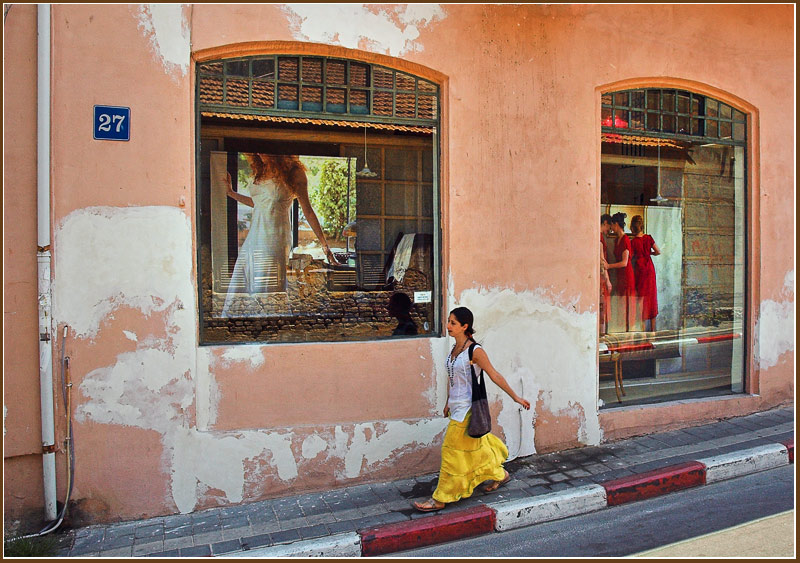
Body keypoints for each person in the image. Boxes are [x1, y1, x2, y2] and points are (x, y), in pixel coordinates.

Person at [413, 307, 531, 512]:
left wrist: (516, 397)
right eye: (449, 322)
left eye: (453, 323)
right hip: (456, 407)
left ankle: (441, 497)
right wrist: (448, 402)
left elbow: (495, 375)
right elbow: (454, 379)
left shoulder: (475, 351)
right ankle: (499, 474)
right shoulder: (454, 350)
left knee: (450, 451)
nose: (448, 326)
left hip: (468, 409)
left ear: (465, 326)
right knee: (477, 449)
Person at [222, 154, 338, 316]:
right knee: (245, 282)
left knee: (266, 285)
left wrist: (325, 246)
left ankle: (270, 327)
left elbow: (308, 211)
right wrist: (231, 193)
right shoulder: (260, 169)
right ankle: (247, 328)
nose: (259, 153)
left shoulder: (293, 172)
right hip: (254, 237)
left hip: (274, 238)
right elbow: (259, 203)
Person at [629, 215, 661, 331]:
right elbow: (658, 251)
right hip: (649, 268)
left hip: (640, 269)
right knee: (652, 297)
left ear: (633, 227)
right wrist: (649, 253)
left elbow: (630, 256)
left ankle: (642, 330)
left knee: (641, 298)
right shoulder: (648, 238)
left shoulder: (633, 242)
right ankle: (653, 331)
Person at [605, 212, 636, 331]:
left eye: (612, 225)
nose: (611, 228)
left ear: (616, 224)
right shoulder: (618, 239)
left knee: (627, 304)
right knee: (622, 304)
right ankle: (624, 329)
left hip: (626, 276)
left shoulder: (625, 240)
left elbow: (625, 262)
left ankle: (629, 330)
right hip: (621, 276)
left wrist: (609, 266)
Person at [599, 214, 613, 335]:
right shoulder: (600, 238)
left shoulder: (599, 237)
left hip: (599, 275)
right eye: (609, 226)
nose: (609, 229)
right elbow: (602, 260)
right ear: (605, 223)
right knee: (602, 305)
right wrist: (607, 279)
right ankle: (601, 334)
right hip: (601, 277)